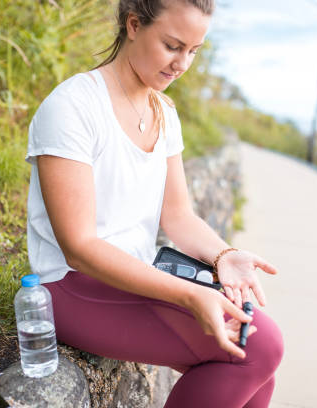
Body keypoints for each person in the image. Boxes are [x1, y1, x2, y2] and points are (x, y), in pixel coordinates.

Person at [25, 0, 284, 406]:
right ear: (133, 25)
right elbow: (79, 248)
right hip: (71, 286)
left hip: (134, 274)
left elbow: (177, 215)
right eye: (172, 45)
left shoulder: (163, 112)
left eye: (194, 51)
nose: (182, 64)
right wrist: (189, 295)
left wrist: (224, 255)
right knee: (260, 348)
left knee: (255, 364)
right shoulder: (72, 107)